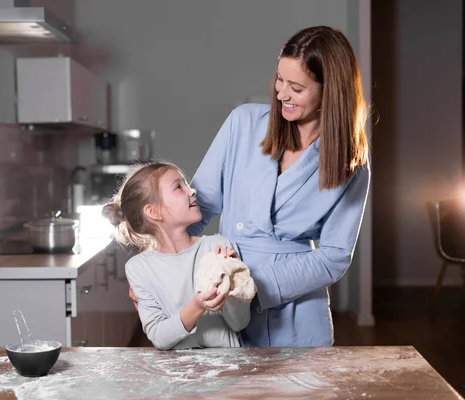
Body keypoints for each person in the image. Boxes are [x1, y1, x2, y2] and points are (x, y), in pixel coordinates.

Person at [130, 25, 370, 347]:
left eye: (296, 87)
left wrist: (251, 285)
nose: (281, 94)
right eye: (279, 80)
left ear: (331, 90)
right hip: (222, 301)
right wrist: (157, 271)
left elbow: (333, 257)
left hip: (296, 310)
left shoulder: (350, 164)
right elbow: (195, 209)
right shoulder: (243, 123)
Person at [102, 161, 251, 350]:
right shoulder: (139, 268)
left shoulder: (218, 247)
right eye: (179, 187)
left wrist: (229, 283)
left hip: (227, 369)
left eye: (186, 184)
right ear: (153, 212)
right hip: (177, 375)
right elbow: (159, 338)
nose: (192, 191)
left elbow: (240, 323)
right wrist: (197, 306)